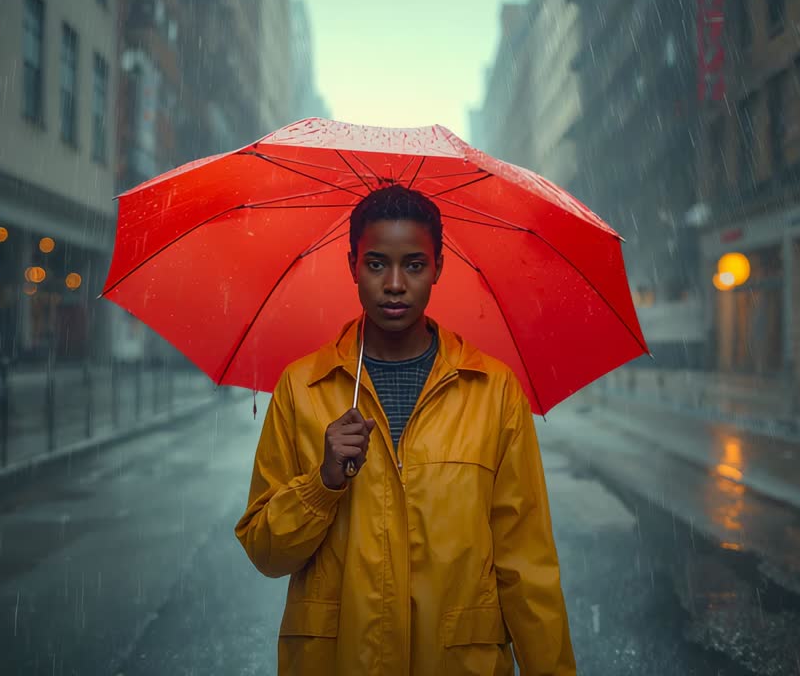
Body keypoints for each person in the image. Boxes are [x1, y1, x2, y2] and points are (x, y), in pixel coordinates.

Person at [235, 184, 577, 675]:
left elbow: (526, 562)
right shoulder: (302, 387)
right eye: (376, 264)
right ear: (352, 265)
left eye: (414, 265)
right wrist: (322, 484)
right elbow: (267, 553)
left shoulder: (493, 391)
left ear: (438, 267)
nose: (394, 284)